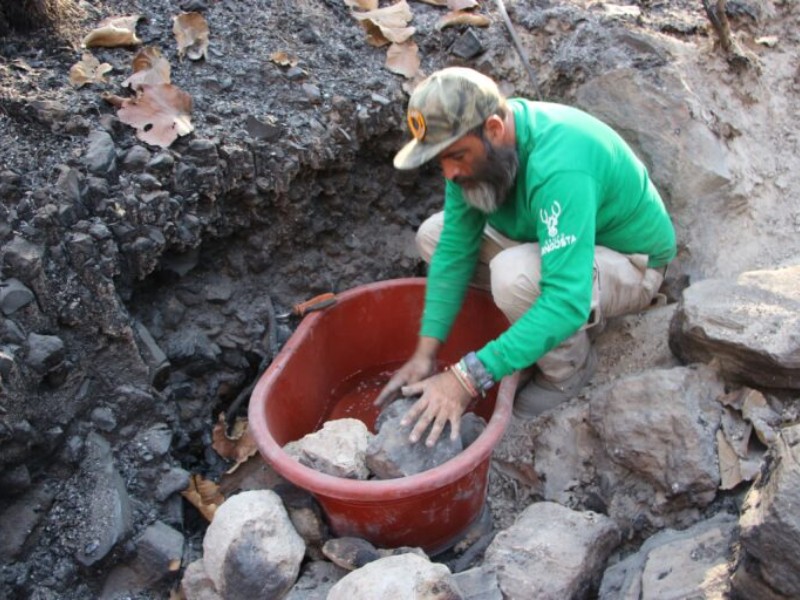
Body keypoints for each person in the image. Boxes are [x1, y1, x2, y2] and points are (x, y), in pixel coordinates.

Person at [375, 67, 676, 447]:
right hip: (554, 242)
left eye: (456, 156)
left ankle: (568, 370)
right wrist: (425, 352)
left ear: (495, 129)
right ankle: (527, 331)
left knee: (514, 278)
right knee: (433, 236)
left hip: (631, 263)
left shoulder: (561, 161)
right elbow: (454, 249)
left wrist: (467, 378)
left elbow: (566, 299)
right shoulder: (478, 155)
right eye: (440, 161)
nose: (449, 172)